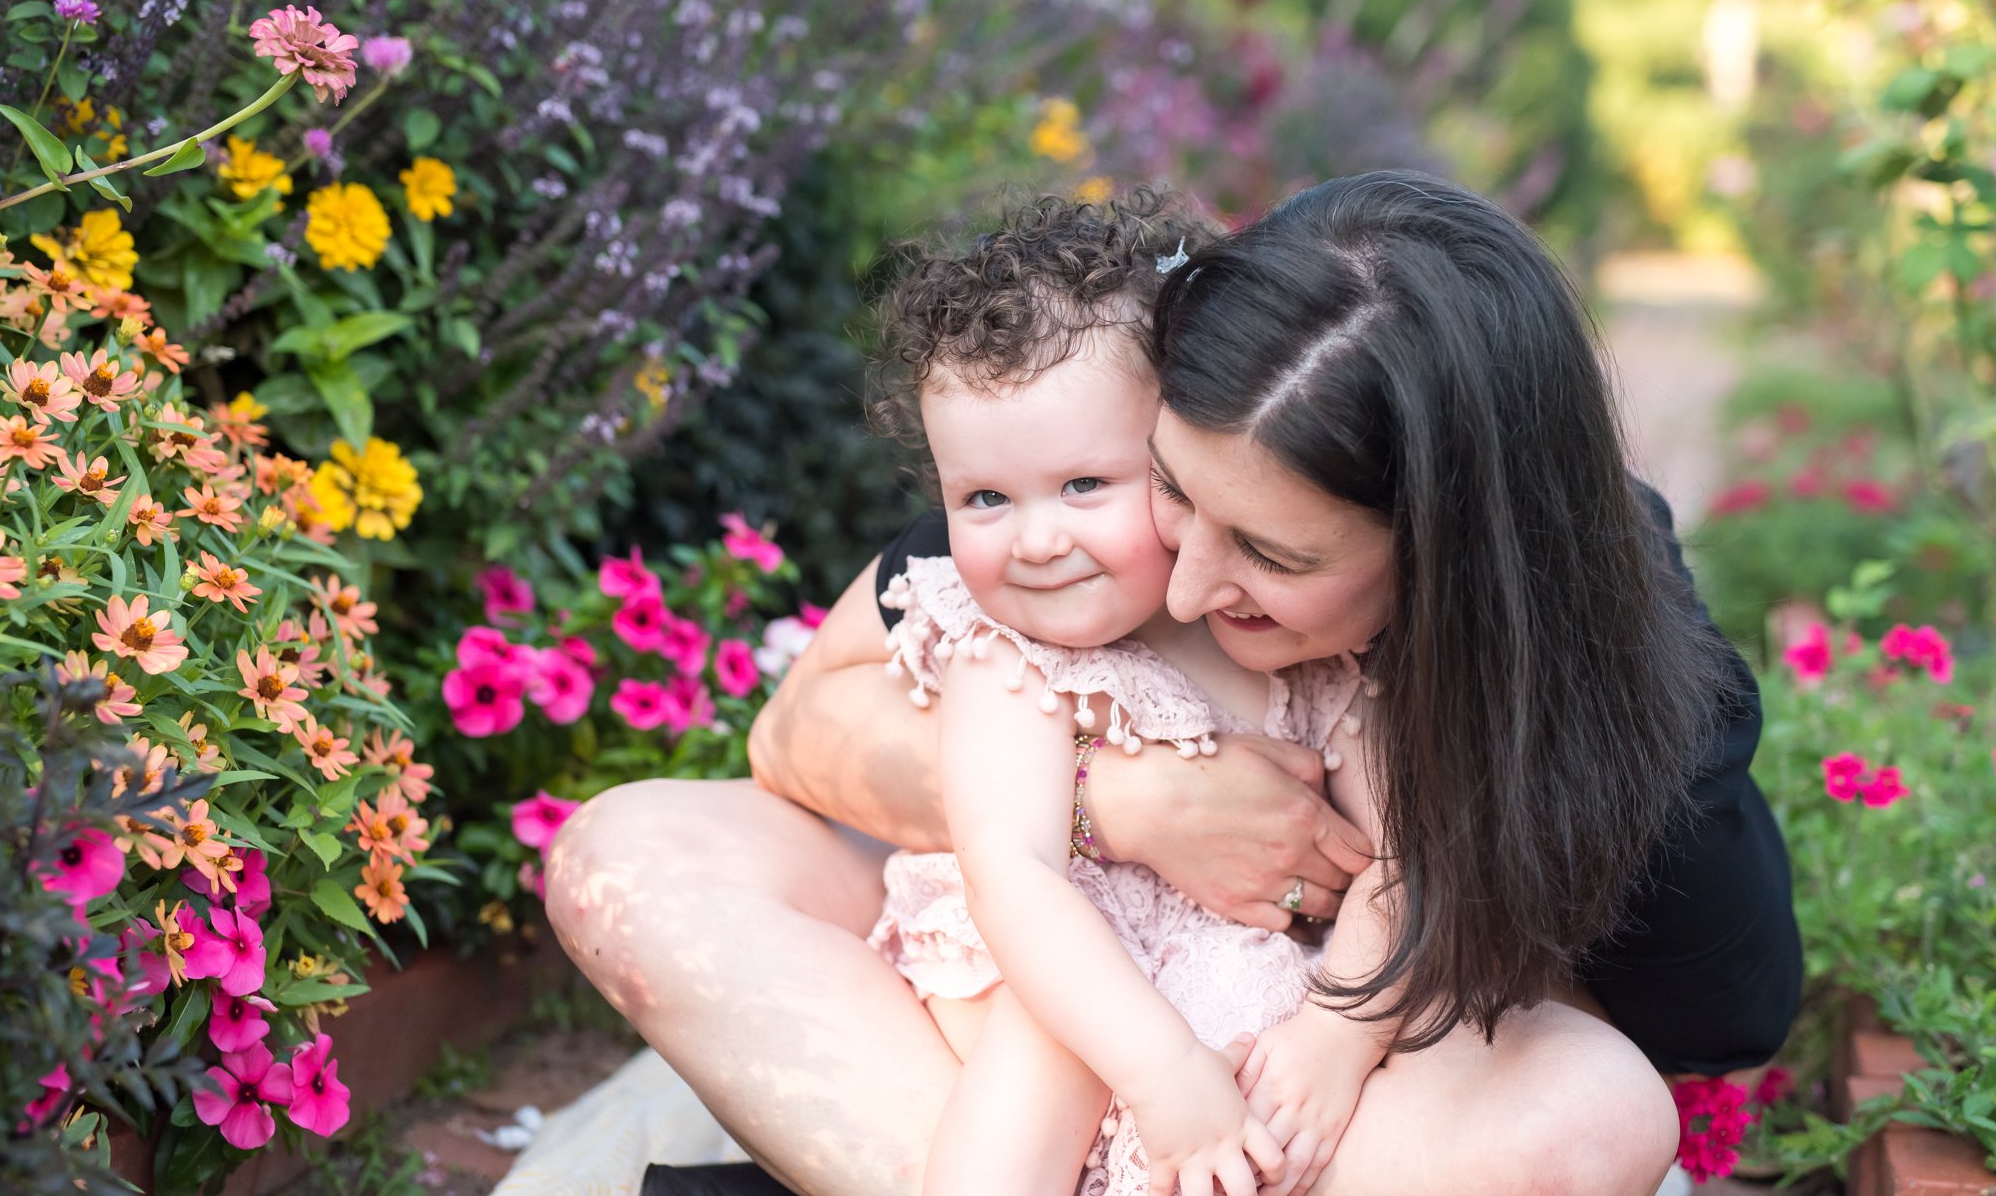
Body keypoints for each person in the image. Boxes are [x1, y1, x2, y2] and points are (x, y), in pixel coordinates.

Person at [547, 171, 1801, 1196]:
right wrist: (1120, 801)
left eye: (1268, 551)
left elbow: (1696, 1008)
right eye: (1174, 490)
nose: (1189, 584)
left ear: (1441, 554)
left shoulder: (1612, 677)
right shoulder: (1082, 501)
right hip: (1051, 1023)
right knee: (636, 848)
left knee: (1590, 1110)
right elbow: (801, 728)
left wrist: (1334, 1023)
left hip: (1321, 1078)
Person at [861, 192, 1373, 1196]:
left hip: (1247, 962)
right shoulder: (1008, 654)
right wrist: (1162, 1071)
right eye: (984, 498)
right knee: (1049, 1044)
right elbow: (1014, 875)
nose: (1036, 539)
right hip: (1058, 965)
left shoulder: (1295, 634)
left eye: (1084, 484)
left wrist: (1336, 1036)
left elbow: (1403, 858)